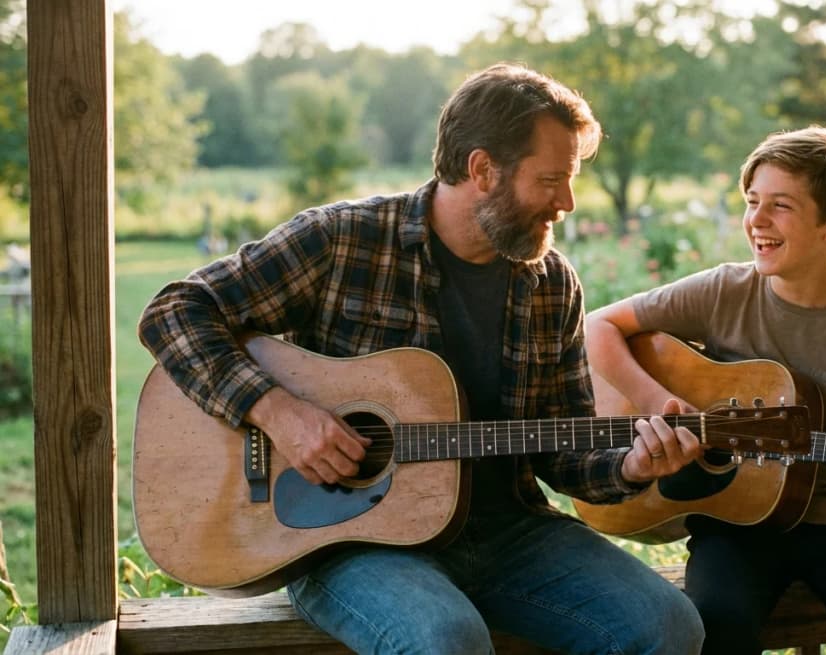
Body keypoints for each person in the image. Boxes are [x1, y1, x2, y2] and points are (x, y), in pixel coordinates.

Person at [138, 63, 704, 655]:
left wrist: (631, 467)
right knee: (445, 640)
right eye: (551, 179)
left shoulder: (550, 283)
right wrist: (279, 412)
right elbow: (174, 312)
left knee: (669, 626)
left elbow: (566, 454)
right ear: (482, 169)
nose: (566, 202)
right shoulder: (345, 240)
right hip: (345, 539)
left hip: (508, 530)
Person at [585, 126, 826, 655]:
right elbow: (599, 327)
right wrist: (658, 403)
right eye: (752, 201)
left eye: (781, 206)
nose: (757, 221)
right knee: (714, 631)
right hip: (737, 523)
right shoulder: (724, 290)